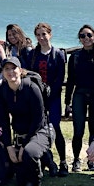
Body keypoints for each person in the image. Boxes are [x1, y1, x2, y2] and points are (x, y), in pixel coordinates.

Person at [0, 57, 54, 186]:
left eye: (14, 68)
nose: (11, 72)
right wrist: (9, 146)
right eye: (7, 69)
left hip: (41, 130)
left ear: (20, 70)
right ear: (3, 72)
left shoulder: (31, 88)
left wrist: (24, 146)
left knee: (29, 153)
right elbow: (4, 121)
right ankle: (46, 158)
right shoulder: (3, 90)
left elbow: (38, 120)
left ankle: (35, 182)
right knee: (20, 180)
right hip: (21, 134)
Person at [65, 25, 94, 172]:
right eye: (82, 36)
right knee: (78, 130)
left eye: (89, 35)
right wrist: (67, 102)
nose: (86, 38)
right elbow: (70, 80)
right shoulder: (75, 57)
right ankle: (76, 160)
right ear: (79, 39)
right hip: (79, 95)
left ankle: (92, 159)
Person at [27, 22, 67, 177]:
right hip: (37, 99)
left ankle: (63, 161)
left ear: (50, 34)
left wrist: (50, 95)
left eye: (44, 34)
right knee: (37, 129)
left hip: (54, 98)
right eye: (38, 35)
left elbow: (60, 77)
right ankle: (47, 161)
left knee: (55, 128)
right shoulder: (32, 55)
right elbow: (30, 75)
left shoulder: (58, 54)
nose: (41, 37)